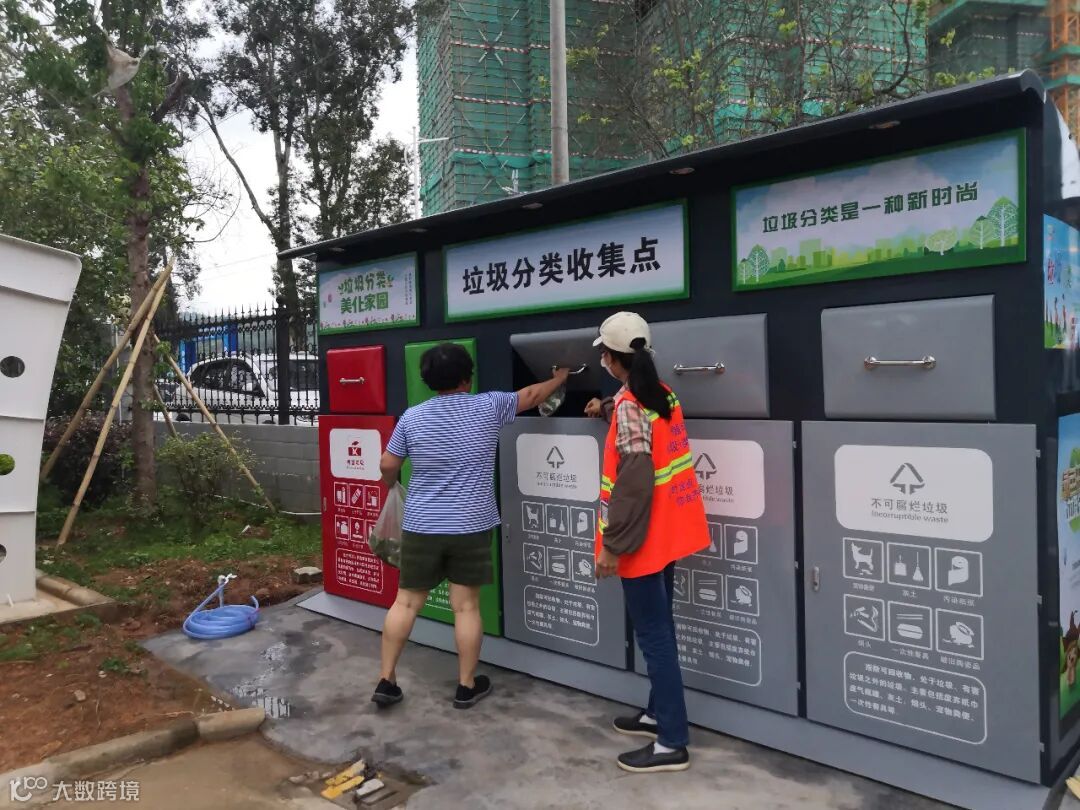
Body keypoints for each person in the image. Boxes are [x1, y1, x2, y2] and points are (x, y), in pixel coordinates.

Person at [373, 342, 570, 710]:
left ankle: (386, 680)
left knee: (407, 602)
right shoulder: (489, 405)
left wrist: (391, 484)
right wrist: (559, 377)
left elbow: (387, 463)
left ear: (428, 380)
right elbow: (531, 395)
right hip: (470, 523)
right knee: (465, 607)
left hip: (422, 524)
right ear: (468, 378)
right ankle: (466, 686)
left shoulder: (412, 417)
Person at [585, 312, 710, 773]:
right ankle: (658, 714)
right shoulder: (661, 393)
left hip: (640, 539)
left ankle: (672, 741)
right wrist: (606, 407)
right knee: (662, 627)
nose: (602, 360)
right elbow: (644, 434)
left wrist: (612, 546)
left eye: (604, 354)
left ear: (614, 358)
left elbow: (634, 479)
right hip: (668, 529)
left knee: (655, 637)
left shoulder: (630, 405)